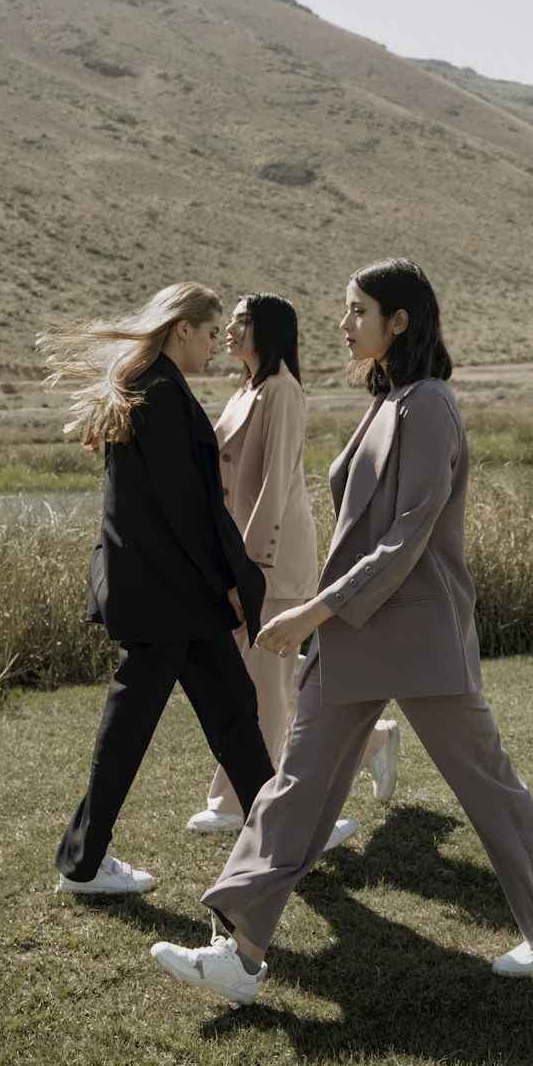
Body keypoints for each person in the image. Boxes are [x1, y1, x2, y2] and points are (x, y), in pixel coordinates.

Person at [149, 259, 533, 1000]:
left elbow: (407, 538)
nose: (344, 323)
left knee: (488, 785)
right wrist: (327, 618)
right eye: (346, 309)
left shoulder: (431, 405)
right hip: (357, 638)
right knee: (294, 785)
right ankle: (241, 951)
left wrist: (310, 611)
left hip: (417, 639)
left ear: (401, 322)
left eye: (359, 310)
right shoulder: (388, 400)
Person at [38, 281, 274, 895]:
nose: (217, 347)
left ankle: (278, 839)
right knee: (140, 728)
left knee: (234, 713)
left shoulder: (151, 389)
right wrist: (231, 582)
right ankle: (84, 865)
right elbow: (187, 509)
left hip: (169, 597)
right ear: (182, 329)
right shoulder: (164, 393)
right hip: (172, 596)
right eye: (209, 331)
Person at [186, 292, 400, 843]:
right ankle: (371, 738)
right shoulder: (244, 389)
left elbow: (278, 485)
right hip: (244, 557)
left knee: (261, 680)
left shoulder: (283, 390)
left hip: (272, 560)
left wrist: (249, 568)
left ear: (268, 329)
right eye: (228, 322)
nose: (228, 330)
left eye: (240, 321)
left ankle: (237, 802)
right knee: (270, 675)